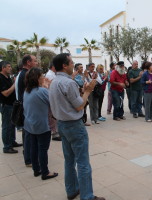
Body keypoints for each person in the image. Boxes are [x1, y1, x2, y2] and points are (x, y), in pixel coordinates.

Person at [49, 53, 105, 200]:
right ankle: (87, 196)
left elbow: (69, 100)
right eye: (71, 62)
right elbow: (80, 106)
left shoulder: (54, 82)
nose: (74, 64)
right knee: (83, 163)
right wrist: (88, 91)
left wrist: (82, 91)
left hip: (62, 125)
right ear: (64, 66)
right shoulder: (69, 83)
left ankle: (72, 190)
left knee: (69, 160)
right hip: (74, 125)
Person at [23, 67, 58, 180]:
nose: (44, 77)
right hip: (42, 125)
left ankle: (36, 169)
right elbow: (52, 102)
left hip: (29, 124)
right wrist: (47, 87)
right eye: (41, 76)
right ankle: (45, 172)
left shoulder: (27, 91)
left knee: (34, 147)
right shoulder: (41, 91)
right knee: (43, 149)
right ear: (37, 78)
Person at [16, 54, 38, 167]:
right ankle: (29, 158)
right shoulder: (25, 75)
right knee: (28, 134)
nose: (37, 62)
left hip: (25, 108)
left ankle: (29, 156)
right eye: (35, 61)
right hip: (26, 109)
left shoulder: (23, 73)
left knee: (28, 133)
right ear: (28, 62)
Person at [0, 61, 20, 153]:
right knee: (6, 126)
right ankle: (7, 146)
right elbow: (6, 93)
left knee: (12, 125)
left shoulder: (7, 77)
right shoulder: (0, 78)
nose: (10, 68)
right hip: (6, 105)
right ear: (3, 68)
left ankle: (12, 142)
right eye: (8, 66)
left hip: (11, 105)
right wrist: (15, 84)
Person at [45, 62, 61, 141]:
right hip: (52, 98)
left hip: (54, 98)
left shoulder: (53, 74)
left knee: (55, 116)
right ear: (53, 67)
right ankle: (54, 133)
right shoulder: (49, 75)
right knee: (52, 117)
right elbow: (51, 87)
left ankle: (56, 132)